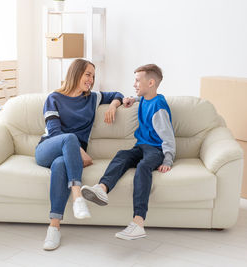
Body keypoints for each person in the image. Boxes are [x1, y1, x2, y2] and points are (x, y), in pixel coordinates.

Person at [35, 58, 124, 250]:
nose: (91, 80)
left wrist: (113, 105)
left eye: (93, 76)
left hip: (68, 155)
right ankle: (77, 196)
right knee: (70, 138)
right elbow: (55, 132)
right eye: (87, 75)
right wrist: (79, 150)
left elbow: (118, 94)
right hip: (48, 148)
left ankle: (54, 227)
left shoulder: (93, 98)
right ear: (75, 73)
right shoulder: (54, 98)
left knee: (60, 165)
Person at [81, 64, 175, 240]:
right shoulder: (147, 99)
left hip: (156, 150)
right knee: (122, 155)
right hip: (141, 146)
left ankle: (138, 223)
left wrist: (167, 160)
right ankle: (102, 188)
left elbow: (168, 137)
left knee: (143, 167)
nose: (134, 84)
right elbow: (144, 99)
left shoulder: (159, 107)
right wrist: (133, 99)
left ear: (151, 82)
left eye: (138, 81)